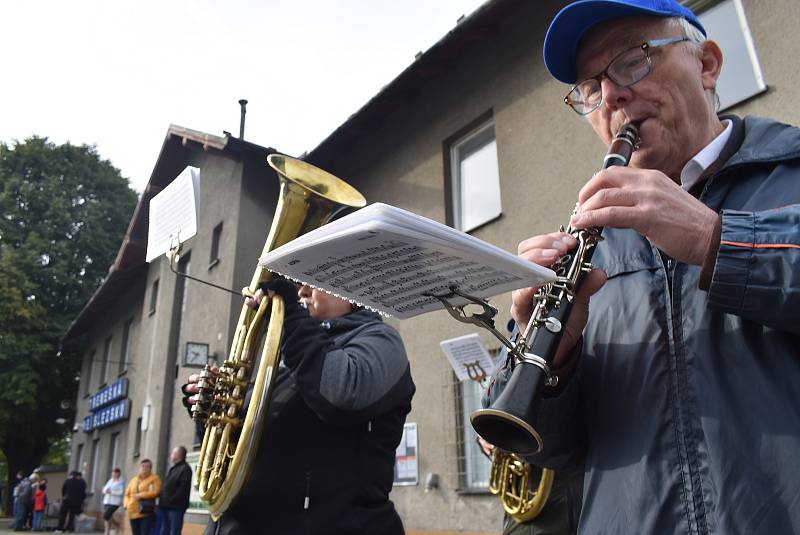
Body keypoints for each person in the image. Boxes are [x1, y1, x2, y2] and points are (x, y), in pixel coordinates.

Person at [488, 1, 800, 533]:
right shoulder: (588, 239)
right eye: (590, 86)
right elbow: (546, 453)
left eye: (633, 59)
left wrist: (711, 238)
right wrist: (550, 363)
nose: (610, 95)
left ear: (707, 65)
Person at [183, 280, 416, 535]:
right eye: (298, 285)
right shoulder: (290, 358)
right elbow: (242, 446)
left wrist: (293, 320)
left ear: (352, 295)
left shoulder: (381, 340)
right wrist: (211, 412)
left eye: (316, 283)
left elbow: (341, 395)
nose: (302, 292)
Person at [159, 446, 193, 535]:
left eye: (173, 453)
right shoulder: (173, 468)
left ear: (178, 455)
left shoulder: (185, 468)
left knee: (174, 532)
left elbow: (183, 488)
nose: (171, 455)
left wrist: (171, 499)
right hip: (166, 506)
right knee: (164, 531)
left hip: (176, 507)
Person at [124, 459, 161, 535]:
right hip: (132, 511)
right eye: (142, 466)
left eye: (147, 466)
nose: (144, 468)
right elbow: (127, 494)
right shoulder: (134, 479)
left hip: (145, 511)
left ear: (150, 468)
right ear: (139, 467)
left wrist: (141, 495)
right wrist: (126, 504)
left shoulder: (154, 478)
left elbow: (156, 492)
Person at [101, 468, 125, 535]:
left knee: (106, 515)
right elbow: (104, 489)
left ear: (119, 474)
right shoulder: (110, 480)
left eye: (116, 473)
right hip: (107, 501)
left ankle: (116, 525)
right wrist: (105, 490)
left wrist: (111, 492)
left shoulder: (121, 482)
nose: (114, 474)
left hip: (115, 502)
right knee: (109, 516)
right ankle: (107, 532)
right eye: (113, 473)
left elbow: (121, 493)